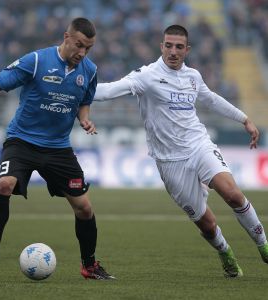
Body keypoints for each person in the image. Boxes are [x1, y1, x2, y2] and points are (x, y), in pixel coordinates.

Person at [94, 24, 268, 278]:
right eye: (168, 45)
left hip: (199, 145)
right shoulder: (147, 75)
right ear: (161, 46)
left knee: (233, 194)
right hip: (170, 161)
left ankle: (263, 245)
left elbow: (210, 99)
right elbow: (110, 90)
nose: (173, 51)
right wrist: (77, 90)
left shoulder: (193, 77)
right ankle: (225, 252)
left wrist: (244, 119)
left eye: (178, 47)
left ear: (187, 49)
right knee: (207, 224)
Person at [0, 17, 115, 280]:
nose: (82, 53)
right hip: (22, 141)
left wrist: (84, 119)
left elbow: (84, 100)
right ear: (66, 37)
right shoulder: (36, 61)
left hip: (58, 148)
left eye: (88, 48)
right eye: (79, 45)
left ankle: (89, 266)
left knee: (84, 208)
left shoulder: (90, 71)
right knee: (4, 185)